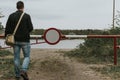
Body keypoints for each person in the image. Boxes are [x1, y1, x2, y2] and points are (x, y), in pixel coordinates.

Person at [5, 1, 33, 80]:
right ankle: (23, 71)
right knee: (27, 56)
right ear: (23, 7)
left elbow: (7, 29)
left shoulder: (11, 16)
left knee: (16, 57)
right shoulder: (27, 16)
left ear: (16, 7)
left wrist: (7, 38)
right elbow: (31, 28)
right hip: (25, 40)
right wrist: (25, 32)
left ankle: (17, 75)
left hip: (15, 40)